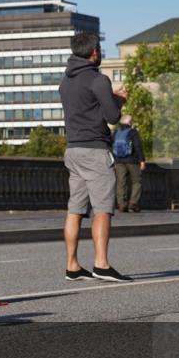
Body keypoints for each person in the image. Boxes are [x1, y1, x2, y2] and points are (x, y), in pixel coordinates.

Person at [58, 32, 132, 282]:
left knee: (75, 209)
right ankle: (101, 264)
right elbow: (111, 117)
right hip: (95, 151)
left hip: (73, 150)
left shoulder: (65, 81)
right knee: (102, 208)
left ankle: (72, 265)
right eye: (99, 49)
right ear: (94, 52)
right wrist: (119, 100)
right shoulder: (98, 79)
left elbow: (85, 109)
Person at [112, 114, 145, 213]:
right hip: (132, 161)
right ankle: (133, 203)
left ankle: (122, 205)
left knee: (121, 183)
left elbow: (110, 146)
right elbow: (138, 146)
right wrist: (142, 160)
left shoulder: (116, 132)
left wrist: (114, 160)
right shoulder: (133, 132)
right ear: (130, 122)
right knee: (137, 182)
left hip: (118, 161)